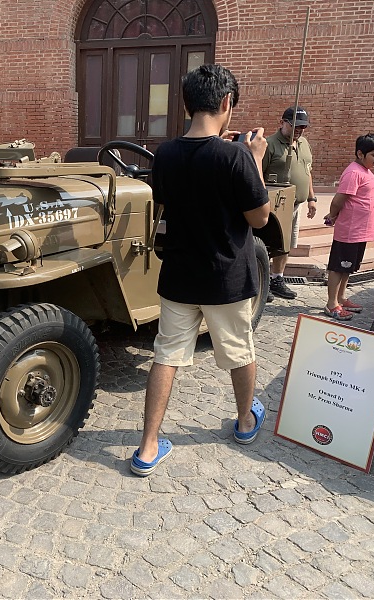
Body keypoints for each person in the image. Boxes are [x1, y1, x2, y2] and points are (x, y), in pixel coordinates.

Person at [130, 64, 270, 477]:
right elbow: (260, 218)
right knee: (239, 352)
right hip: (226, 278)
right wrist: (254, 159)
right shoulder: (237, 156)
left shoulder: (165, 153)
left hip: (179, 274)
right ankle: (245, 422)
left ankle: (148, 447)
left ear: (187, 104)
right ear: (227, 103)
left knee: (166, 356)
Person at [322, 133, 374, 321]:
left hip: (360, 231)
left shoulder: (365, 172)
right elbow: (339, 199)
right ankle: (331, 304)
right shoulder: (354, 172)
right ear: (360, 153)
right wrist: (332, 215)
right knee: (338, 267)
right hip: (349, 231)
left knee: (348, 268)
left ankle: (341, 297)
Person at [262, 107, 317, 302]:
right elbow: (258, 174)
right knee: (269, 245)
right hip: (275, 205)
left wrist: (311, 198)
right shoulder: (269, 144)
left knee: (286, 245)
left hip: (296, 204)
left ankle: (277, 278)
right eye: (295, 126)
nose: (300, 130)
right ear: (282, 122)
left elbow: (307, 170)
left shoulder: (303, 143)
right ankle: (262, 281)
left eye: (303, 127)